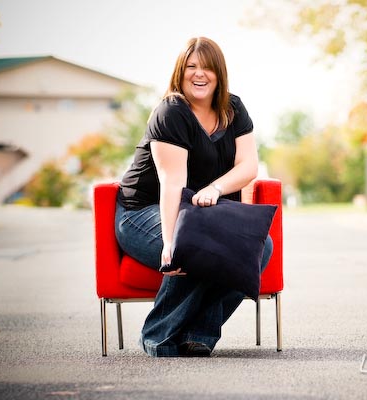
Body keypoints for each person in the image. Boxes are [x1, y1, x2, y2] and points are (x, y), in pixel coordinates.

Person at [114, 37, 273, 357]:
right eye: (191, 67)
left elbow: (249, 165)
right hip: (142, 211)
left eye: (207, 68)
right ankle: (157, 336)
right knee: (196, 245)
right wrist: (171, 244)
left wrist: (215, 188)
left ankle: (199, 333)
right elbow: (172, 182)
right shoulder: (171, 112)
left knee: (259, 247)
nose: (199, 74)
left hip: (200, 210)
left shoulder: (233, 108)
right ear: (180, 72)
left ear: (219, 74)